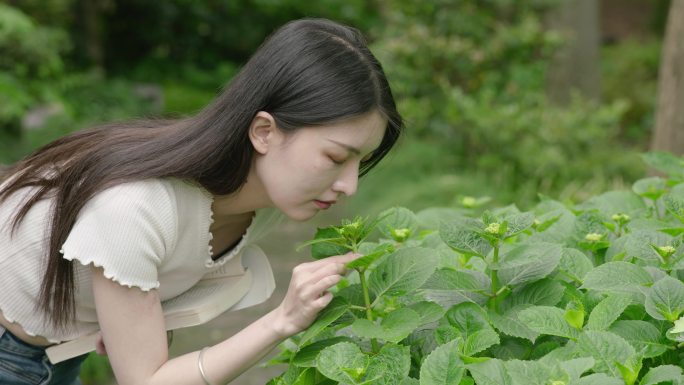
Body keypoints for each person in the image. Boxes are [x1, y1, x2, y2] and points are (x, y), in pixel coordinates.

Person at [0, 18, 403, 385]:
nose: (349, 185)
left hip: (56, 354)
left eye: (360, 162)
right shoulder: (134, 209)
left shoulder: (256, 196)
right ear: (264, 132)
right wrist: (283, 320)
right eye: (335, 158)